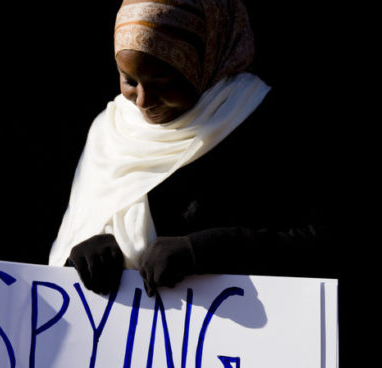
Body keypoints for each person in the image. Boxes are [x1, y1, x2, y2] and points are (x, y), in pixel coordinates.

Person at [48, 0, 337, 296]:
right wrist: (86, 251)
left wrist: (204, 250)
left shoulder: (263, 122)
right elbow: (75, 237)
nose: (144, 101)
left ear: (206, 59)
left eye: (163, 81)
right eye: (130, 80)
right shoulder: (110, 132)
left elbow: (322, 242)